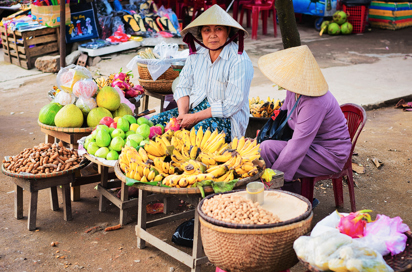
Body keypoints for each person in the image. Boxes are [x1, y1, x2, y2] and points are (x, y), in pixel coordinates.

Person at [150, 5, 254, 141]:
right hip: (194, 110)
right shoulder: (197, 54)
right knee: (154, 122)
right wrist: (182, 116)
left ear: (228, 31)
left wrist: (193, 118)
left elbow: (231, 106)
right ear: (201, 33)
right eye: (207, 30)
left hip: (227, 119)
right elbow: (183, 86)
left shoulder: (239, 61)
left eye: (218, 29)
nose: (212, 35)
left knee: (195, 134)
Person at [258, 45, 352, 195]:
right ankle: (290, 190)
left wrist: (272, 180)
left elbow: (298, 146)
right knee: (266, 147)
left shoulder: (314, 103)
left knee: (268, 152)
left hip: (329, 154)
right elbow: (283, 112)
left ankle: (279, 192)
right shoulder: (293, 89)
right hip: (311, 145)